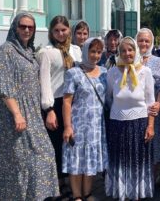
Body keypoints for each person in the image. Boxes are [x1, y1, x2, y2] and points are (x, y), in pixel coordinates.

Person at [0, 13, 59, 200]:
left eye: (31, 27)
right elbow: (3, 86)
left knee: (42, 154)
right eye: (23, 26)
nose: (27, 30)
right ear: (15, 27)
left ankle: (34, 196)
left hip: (33, 112)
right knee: (19, 161)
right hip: (14, 115)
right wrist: (17, 114)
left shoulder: (30, 52)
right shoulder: (6, 51)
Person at [105, 37, 158, 200]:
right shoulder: (112, 72)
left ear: (136, 51)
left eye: (130, 50)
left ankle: (136, 194)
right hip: (118, 124)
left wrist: (150, 126)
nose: (127, 53)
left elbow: (151, 102)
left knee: (136, 161)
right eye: (123, 51)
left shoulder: (145, 72)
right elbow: (108, 99)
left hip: (139, 124)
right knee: (120, 160)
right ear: (119, 53)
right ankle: (121, 192)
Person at [37, 15, 82, 198]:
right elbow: (45, 81)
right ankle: (58, 184)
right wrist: (48, 110)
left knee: (70, 144)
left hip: (74, 102)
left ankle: (70, 180)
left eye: (63, 30)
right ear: (51, 32)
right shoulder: (46, 52)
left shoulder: (76, 50)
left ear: (69, 30)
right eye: (56, 30)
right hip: (55, 102)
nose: (60, 33)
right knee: (56, 146)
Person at [62, 37, 108, 201]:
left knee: (90, 160)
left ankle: (87, 193)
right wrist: (68, 126)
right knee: (76, 160)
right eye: (92, 51)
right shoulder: (73, 72)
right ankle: (77, 196)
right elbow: (67, 102)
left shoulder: (104, 72)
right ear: (85, 51)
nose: (95, 55)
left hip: (96, 125)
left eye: (98, 52)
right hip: (78, 124)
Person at [136, 28, 160, 182]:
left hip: (152, 111)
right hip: (134, 110)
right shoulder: (130, 58)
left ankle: (151, 182)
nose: (143, 43)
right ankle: (139, 181)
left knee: (152, 146)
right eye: (141, 40)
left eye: (147, 41)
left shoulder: (157, 61)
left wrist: (158, 104)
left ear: (152, 43)